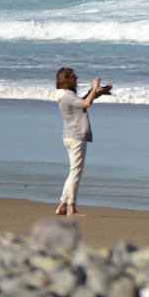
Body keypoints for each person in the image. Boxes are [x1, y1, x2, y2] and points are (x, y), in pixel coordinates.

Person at [54, 66, 111, 216]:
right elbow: (86, 104)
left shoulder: (67, 95)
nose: (76, 78)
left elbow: (83, 101)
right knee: (75, 173)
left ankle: (62, 205)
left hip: (70, 135)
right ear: (67, 80)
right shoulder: (67, 96)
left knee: (73, 172)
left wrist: (99, 92)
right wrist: (94, 87)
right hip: (76, 136)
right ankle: (71, 208)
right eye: (73, 76)